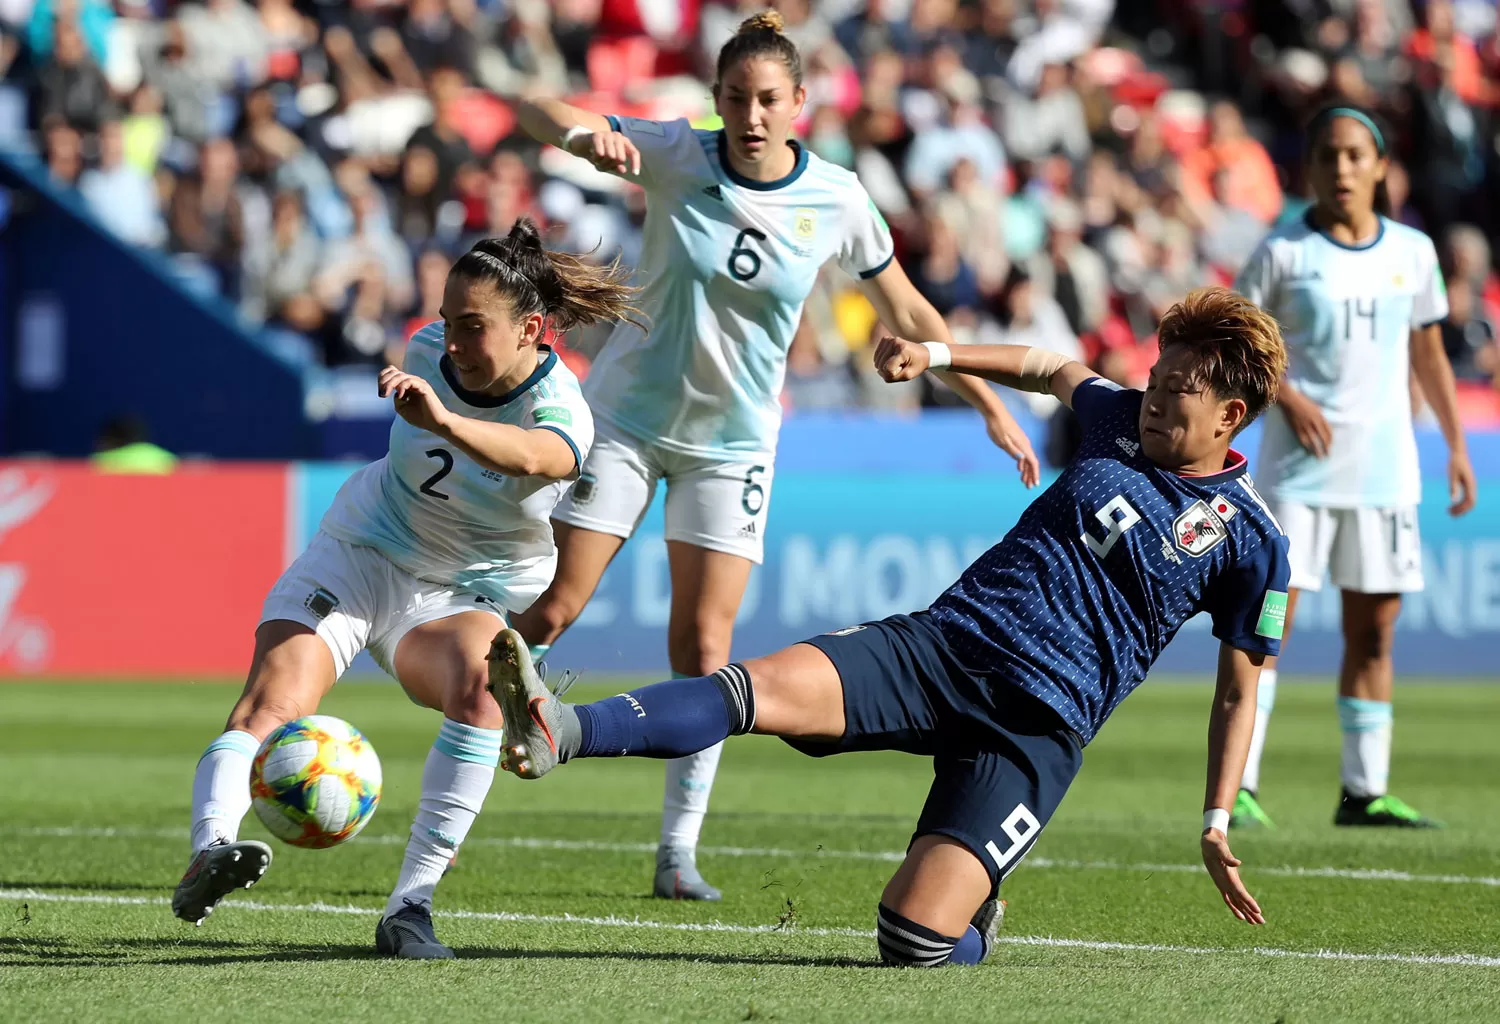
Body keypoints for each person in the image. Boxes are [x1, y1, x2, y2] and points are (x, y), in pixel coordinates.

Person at [489, 287, 1291, 966]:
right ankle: (561, 728)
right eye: (1156, 375)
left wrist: (1216, 819)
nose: (1154, 395)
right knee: (752, 689)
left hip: (1036, 728)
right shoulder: (1117, 418)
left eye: (1179, 388)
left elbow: (1238, 690)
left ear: (1231, 414)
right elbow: (1050, 368)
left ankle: (973, 915)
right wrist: (937, 359)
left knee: (911, 940)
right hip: (943, 647)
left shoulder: (1254, 541)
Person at [508, 10, 1039, 902]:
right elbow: (532, 107)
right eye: (734, 100)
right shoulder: (677, 152)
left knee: (704, 642)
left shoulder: (836, 198)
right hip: (629, 421)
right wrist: (577, 130)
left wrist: (986, 401)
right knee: (555, 607)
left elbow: (910, 311)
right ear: (715, 102)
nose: (750, 116)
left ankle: (677, 855)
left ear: (800, 101)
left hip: (733, 446)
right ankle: (469, 737)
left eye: (767, 100)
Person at [171, 219, 638, 959]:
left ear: (533, 329)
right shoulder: (428, 351)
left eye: (472, 326)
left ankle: (409, 909)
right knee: (274, 703)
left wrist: (445, 421)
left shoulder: (562, 406)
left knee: (489, 687)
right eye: (448, 321)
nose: (451, 341)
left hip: (454, 594)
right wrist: (442, 403)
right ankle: (212, 849)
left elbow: (537, 458)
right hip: (360, 554)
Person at [1230, 104, 1477, 832]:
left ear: (1379, 166)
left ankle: (1363, 792)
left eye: (1353, 155)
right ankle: (1240, 784)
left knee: (1375, 634)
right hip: (1295, 474)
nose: (1340, 169)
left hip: (1384, 472)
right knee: (1270, 626)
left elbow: (1428, 352)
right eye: (1327, 156)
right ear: (1308, 169)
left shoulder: (1413, 252)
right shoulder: (1281, 253)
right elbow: (1237, 344)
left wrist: (1457, 446)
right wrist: (1289, 397)